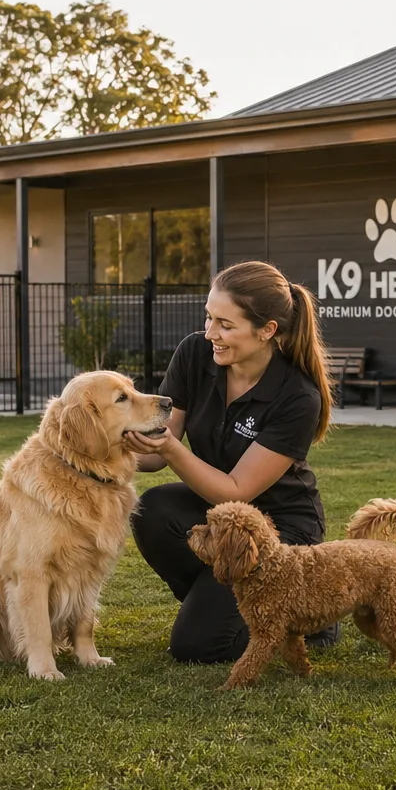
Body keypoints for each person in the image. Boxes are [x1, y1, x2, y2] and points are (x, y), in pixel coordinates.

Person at [123, 260, 337, 663]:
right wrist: (93, 449)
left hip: (280, 527)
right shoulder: (194, 355)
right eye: (209, 318)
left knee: (197, 647)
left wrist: (170, 449)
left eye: (225, 324)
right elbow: (151, 459)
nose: (210, 333)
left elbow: (237, 489)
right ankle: (217, 605)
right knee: (151, 509)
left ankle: (306, 617)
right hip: (222, 518)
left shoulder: (297, 396)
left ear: (267, 330)